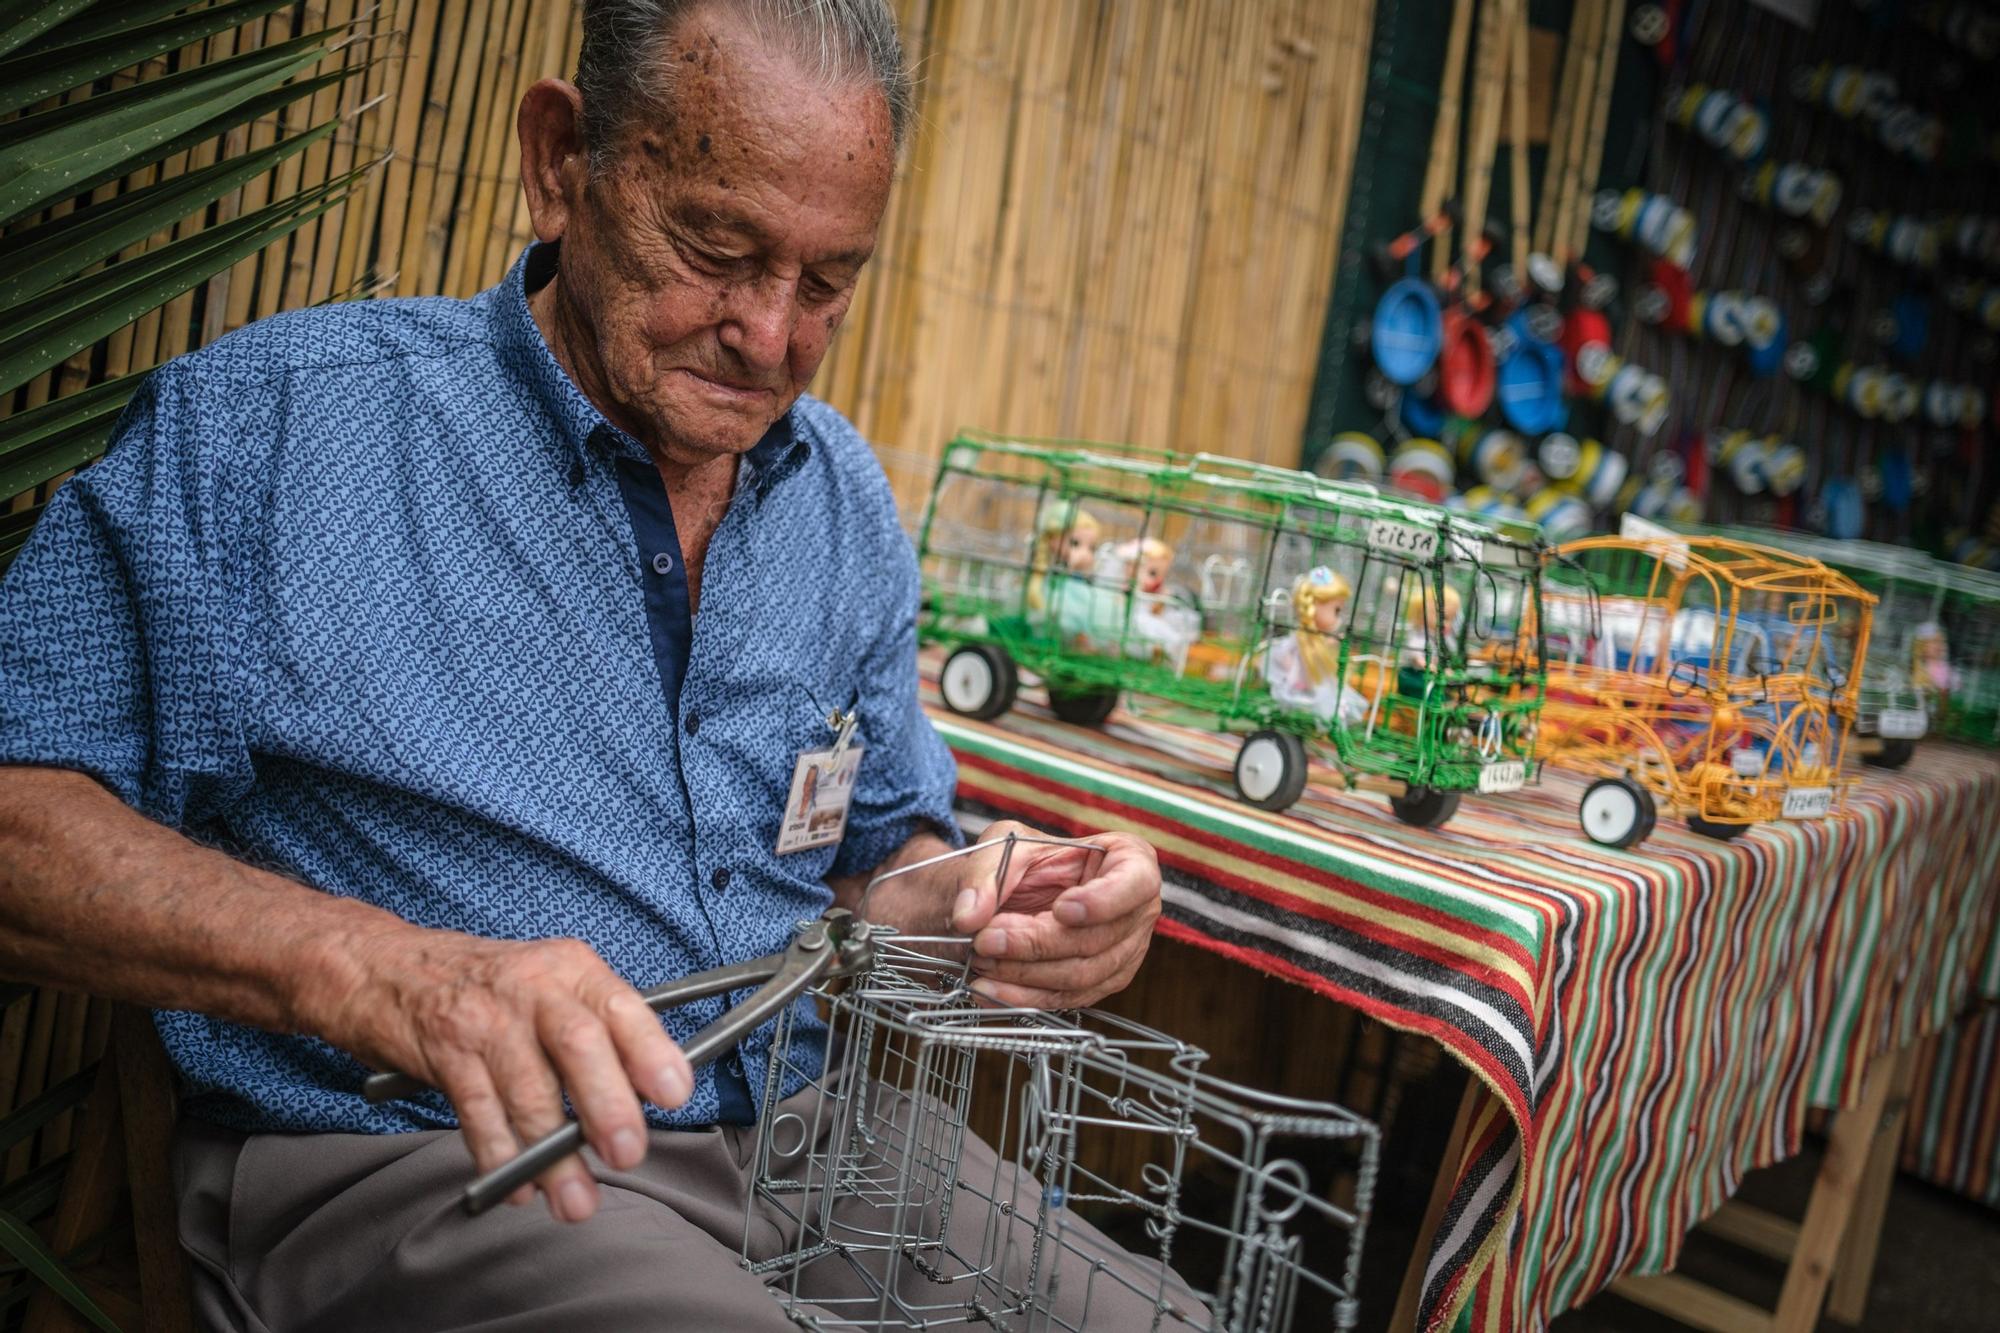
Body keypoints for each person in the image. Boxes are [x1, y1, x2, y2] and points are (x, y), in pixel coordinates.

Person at [0, 1, 1164, 1327]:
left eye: (829, 283)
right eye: (718, 250)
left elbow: (876, 853)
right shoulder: (283, 431)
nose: (774, 337)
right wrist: (385, 971)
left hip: (804, 1138)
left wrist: (1003, 897)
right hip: (433, 1155)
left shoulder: (839, 499)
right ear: (561, 163)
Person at [1264, 567, 1368, 726]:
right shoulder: (1301, 638)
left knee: (1333, 696)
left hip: (1314, 683)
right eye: (1336, 610)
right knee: (1324, 700)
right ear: (1316, 605)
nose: (1339, 618)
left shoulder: (1318, 639)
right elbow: (1288, 655)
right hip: (1300, 685)